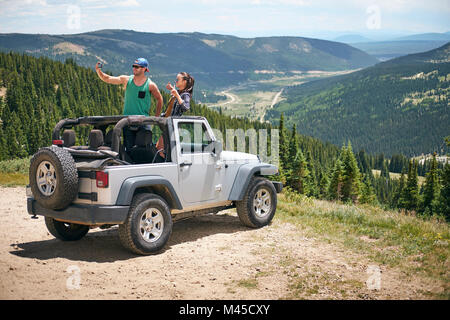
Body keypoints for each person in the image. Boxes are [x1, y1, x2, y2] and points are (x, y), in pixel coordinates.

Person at [95, 58, 163, 155]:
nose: (134, 68)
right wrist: (98, 71)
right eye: (133, 66)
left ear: (144, 69)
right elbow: (108, 79)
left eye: (137, 67)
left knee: (145, 149)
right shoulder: (127, 80)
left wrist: (156, 117)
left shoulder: (150, 85)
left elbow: (159, 99)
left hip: (143, 122)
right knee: (129, 150)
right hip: (127, 121)